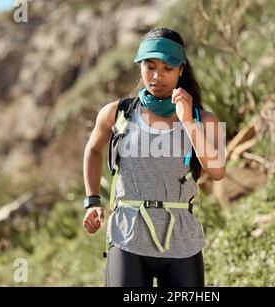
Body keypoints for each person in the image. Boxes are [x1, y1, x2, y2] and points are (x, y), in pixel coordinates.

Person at [82, 27, 226, 287]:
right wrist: (92, 200)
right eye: (150, 67)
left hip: (182, 241)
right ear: (140, 66)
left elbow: (217, 171)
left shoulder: (204, 119)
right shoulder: (116, 113)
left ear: (181, 69)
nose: (157, 76)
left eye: (167, 69)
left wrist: (187, 122)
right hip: (128, 236)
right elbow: (92, 150)